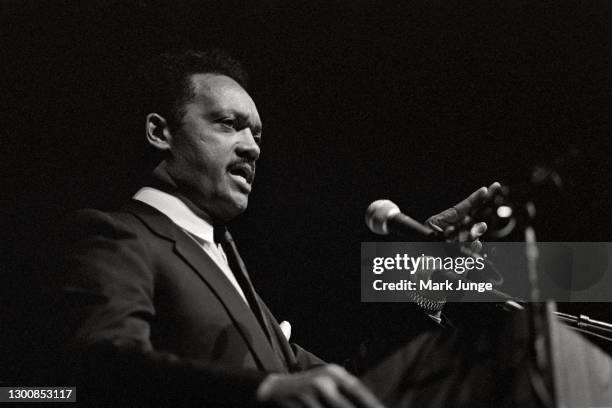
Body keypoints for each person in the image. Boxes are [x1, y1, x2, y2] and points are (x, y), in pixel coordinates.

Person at [42, 49, 499, 407]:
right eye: (229, 125)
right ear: (160, 132)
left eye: (257, 135)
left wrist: (427, 279)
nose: (252, 148)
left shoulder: (227, 263)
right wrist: (261, 392)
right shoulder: (115, 235)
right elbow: (102, 369)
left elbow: (349, 388)